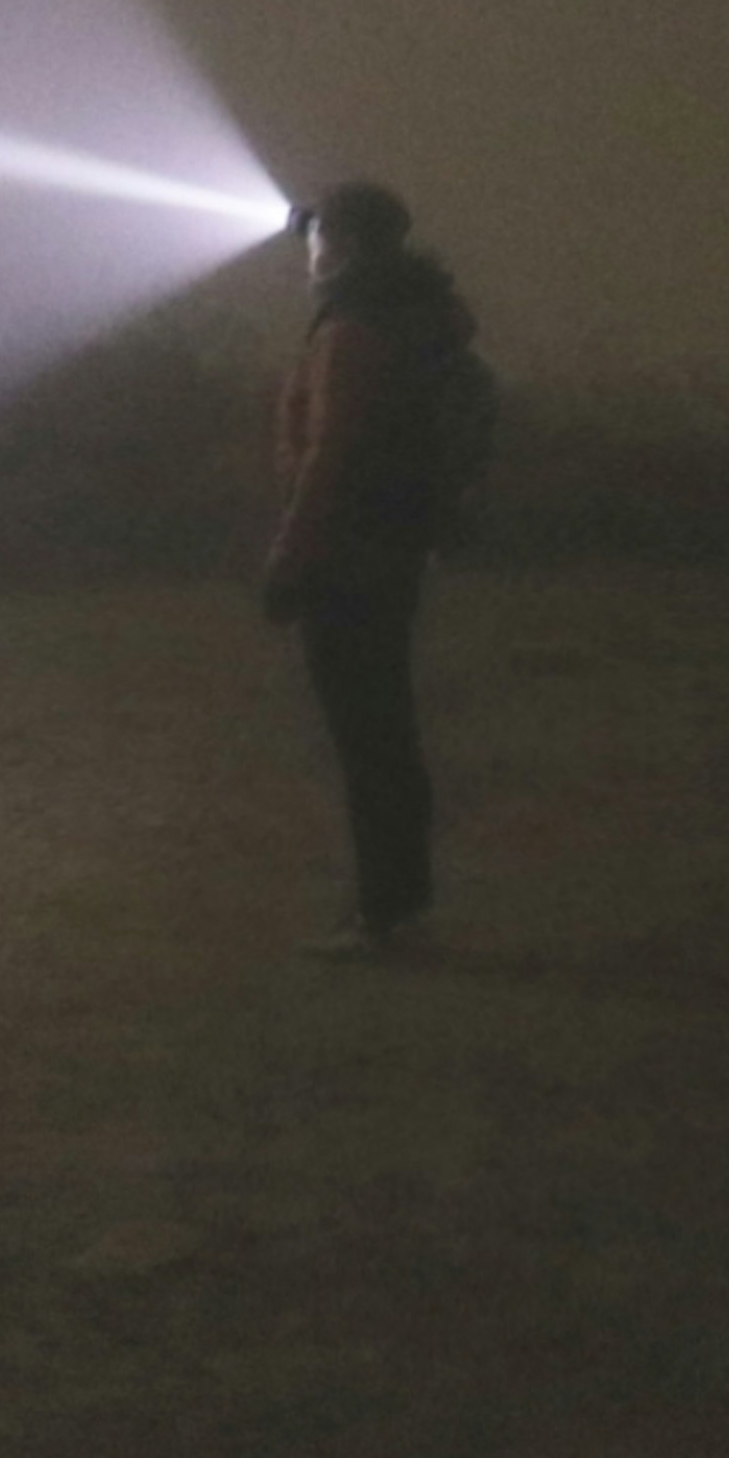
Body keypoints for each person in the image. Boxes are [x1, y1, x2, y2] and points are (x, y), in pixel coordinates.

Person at [263, 180, 477, 956]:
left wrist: (291, 556)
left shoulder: (349, 332)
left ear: (345, 245)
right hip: (395, 547)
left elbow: (329, 457)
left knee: (365, 735)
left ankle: (385, 913)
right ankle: (402, 901)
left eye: (318, 236)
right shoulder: (415, 315)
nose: (309, 250)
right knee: (385, 726)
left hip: (347, 554)